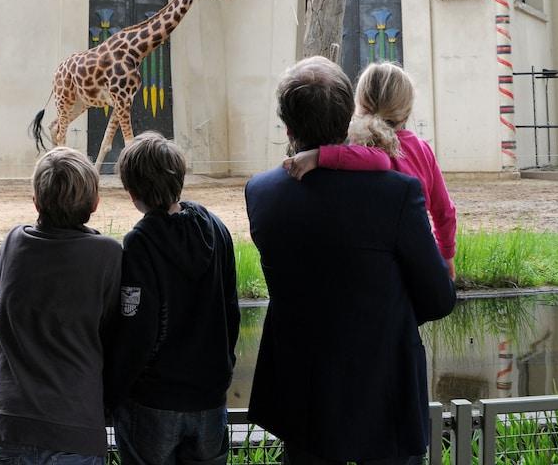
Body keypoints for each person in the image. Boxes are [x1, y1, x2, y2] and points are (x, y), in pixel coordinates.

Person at [245, 57, 456, 465]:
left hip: (304, 398)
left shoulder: (262, 193)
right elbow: (438, 299)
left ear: (287, 128)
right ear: (347, 120)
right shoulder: (398, 194)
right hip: (385, 396)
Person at [106, 132, 240, 465]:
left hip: (154, 403)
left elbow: (137, 332)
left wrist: (111, 395)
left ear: (132, 191)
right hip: (209, 398)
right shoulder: (217, 229)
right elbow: (231, 313)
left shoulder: (140, 243)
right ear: (179, 176)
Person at [0, 147, 122, 465]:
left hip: (12, 427)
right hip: (76, 428)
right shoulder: (107, 255)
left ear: (36, 201)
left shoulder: (13, 243)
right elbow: (116, 326)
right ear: (95, 204)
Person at [283, 61, 458, 279]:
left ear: (358, 104)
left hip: (374, 257)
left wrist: (319, 155)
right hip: (416, 252)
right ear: (407, 112)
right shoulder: (422, 150)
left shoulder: (356, 149)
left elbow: (379, 160)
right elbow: (445, 211)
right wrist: (446, 255)